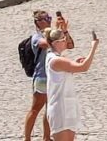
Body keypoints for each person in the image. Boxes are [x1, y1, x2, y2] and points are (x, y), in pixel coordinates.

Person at [25, 10, 75, 141]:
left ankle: (47, 138)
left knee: (50, 109)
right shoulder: (37, 37)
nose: (48, 21)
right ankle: (27, 138)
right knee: (36, 108)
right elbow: (48, 44)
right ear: (37, 22)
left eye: (49, 18)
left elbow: (69, 45)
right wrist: (57, 34)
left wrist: (64, 31)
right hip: (42, 77)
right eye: (44, 19)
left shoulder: (53, 35)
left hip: (53, 77)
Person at [43, 26, 98, 141]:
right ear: (57, 42)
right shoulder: (56, 60)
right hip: (59, 108)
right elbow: (84, 67)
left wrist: (72, 67)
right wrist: (93, 47)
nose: (66, 42)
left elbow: (63, 74)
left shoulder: (56, 58)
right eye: (64, 40)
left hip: (67, 105)